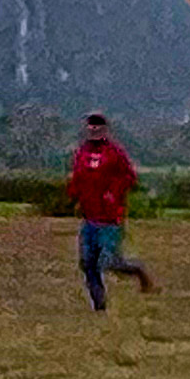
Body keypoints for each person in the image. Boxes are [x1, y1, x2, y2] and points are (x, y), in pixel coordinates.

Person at [65, 113, 153, 311]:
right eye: (91, 127)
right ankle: (99, 305)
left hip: (110, 220)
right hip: (89, 218)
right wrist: (73, 194)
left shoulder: (114, 153)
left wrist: (113, 192)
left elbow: (129, 177)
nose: (94, 131)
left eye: (98, 127)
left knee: (109, 261)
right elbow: (78, 176)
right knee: (88, 264)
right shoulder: (82, 153)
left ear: (105, 130)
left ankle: (137, 271)